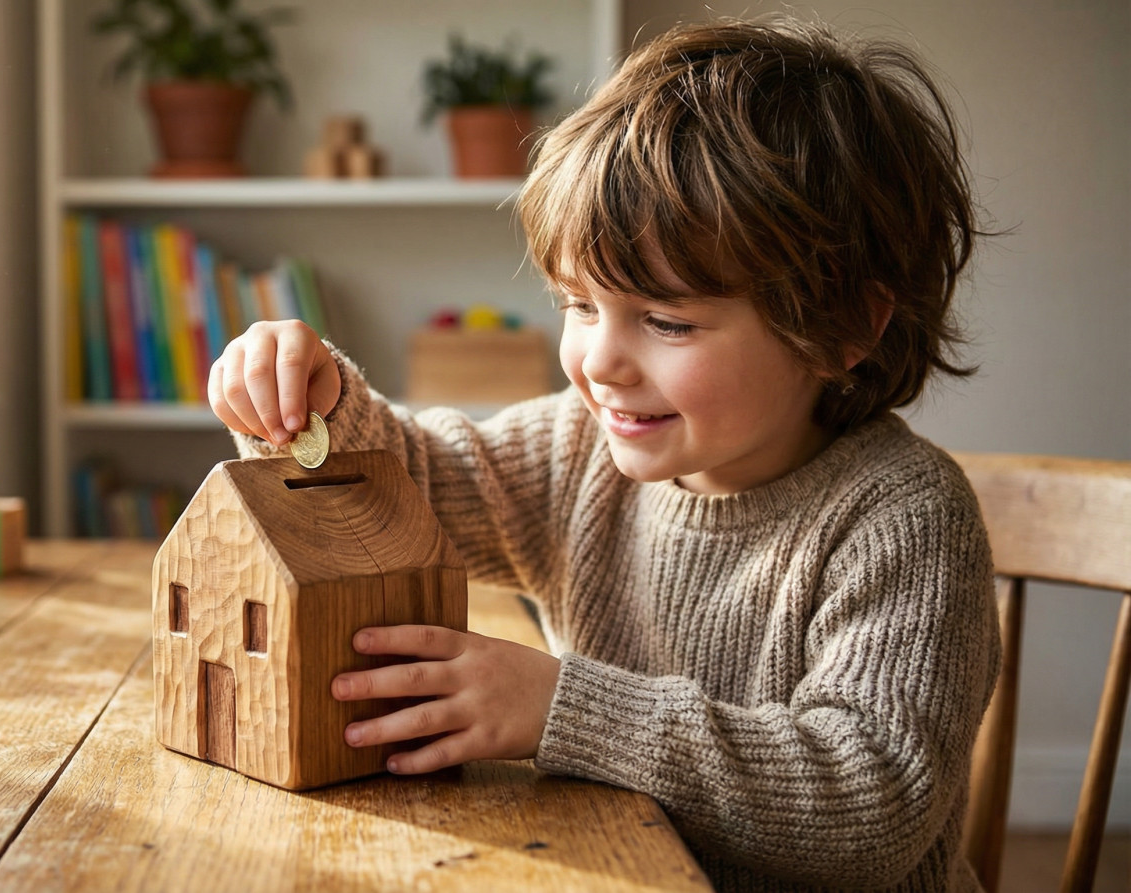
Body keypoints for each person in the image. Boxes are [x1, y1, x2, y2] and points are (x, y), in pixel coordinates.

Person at [207, 15, 999, 891]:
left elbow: (868, 806)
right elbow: (411, 486)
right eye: (579, 305)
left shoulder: (905, 518)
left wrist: (562, 708)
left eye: (666, 321)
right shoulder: (577, 450)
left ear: (845, 326)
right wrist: (308, 400)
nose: (599, 361)